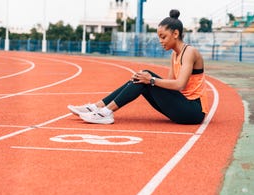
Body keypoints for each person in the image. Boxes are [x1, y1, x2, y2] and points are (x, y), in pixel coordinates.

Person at [67, 9, 208, 125]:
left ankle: (105, 112)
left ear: (175, 34)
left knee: (146, 77)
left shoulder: (189, 52)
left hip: (193, 111)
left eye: (163, 37)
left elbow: (179, 85)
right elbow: (169, 85)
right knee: (142, 77)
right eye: (159, 37)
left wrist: (151, 80)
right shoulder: (174, 55)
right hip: (181, 106)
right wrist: (148, 80)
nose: (160, 41)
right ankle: (98, 106)